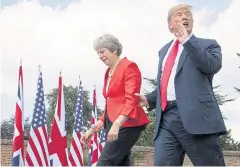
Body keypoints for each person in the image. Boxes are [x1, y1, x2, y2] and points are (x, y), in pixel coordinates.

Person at [135, 4, 227, 166]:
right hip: (166, 118)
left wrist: (187, 40)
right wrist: (149, 99)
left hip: (196, 117)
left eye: (188, 15)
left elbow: (212, 66)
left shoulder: (208, 45)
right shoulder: (164, 51)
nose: (185, 17)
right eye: (179, 14)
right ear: (170, 24)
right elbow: (170, 83)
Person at [80, 33, 149, 166]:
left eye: (102, 51)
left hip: (127, 125)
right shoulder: (108, 72)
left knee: (105, 163)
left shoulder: (129, 67)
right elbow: (111, 106)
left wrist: (117, 124)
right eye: (98, 53)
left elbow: (131, 101)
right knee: (121, 163)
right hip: (113, 125)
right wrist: (93, 129)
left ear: (114, 49)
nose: (100, 56)